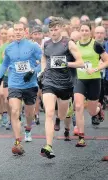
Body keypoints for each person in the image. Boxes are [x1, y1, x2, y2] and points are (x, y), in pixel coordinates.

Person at [39, 17, 84, 159]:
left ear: (62, 28)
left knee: (62, 115)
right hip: (50, 82)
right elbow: (44, 58)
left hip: (65, 84)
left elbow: (81, 63)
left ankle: (65, 114)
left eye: (56, 29)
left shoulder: (68, 43)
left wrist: (66, 63)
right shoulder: (46, 44)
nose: (53, 32)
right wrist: (42, 71)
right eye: (51, 30)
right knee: (49, 113)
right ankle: (48, 146)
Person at [0, 21, 42, 155]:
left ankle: (27, 128)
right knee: (14, 111)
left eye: (20, 30)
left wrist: (33, 71)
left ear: (25, 31)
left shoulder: (33, 46)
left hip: (30, 84)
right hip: (14, 83)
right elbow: (4, 65)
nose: (18, 32)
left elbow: (43, 62)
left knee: (29, 114)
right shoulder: (9, 48)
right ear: (13, 32)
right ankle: (17, 141)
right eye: (16, 30)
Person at [74, 21, 108, 147]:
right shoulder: (75, 45)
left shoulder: (96, 45)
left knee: (91, 111)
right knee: (78, 106)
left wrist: (96, 69)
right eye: (82, 30)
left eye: (86, 30)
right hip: (80, 79)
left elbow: (106, 61)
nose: (84, 32)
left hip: (94, 79)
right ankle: (81, 137)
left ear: (90, 32)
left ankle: (98, 111)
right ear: (79, 31)